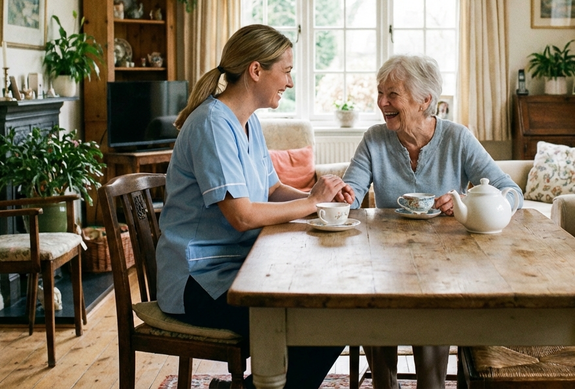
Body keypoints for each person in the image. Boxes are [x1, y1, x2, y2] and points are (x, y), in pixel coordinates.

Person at [156, 24, 355, 389]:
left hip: (235, 269)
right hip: (197, 283)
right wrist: (311, 201)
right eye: (287, 71)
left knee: (328, 311)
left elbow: (272, 188)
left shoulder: (247, 122)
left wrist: (322, 202)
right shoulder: (212, 124)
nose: (290, 82)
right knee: (324, 322)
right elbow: (243, 216)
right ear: (255, 70)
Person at [342, 55, 524, 389]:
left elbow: (511, 192)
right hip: (384, 260)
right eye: (380, 93)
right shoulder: (374, 139)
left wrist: (469, 202)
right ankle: (385, 383)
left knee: (434, 303)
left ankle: (431, 384)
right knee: (370, 298)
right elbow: (350, 196)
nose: (382, 102)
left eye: (392, 94)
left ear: (425, 100)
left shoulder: (457, 138)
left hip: (444, 263)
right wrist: (337, 195)